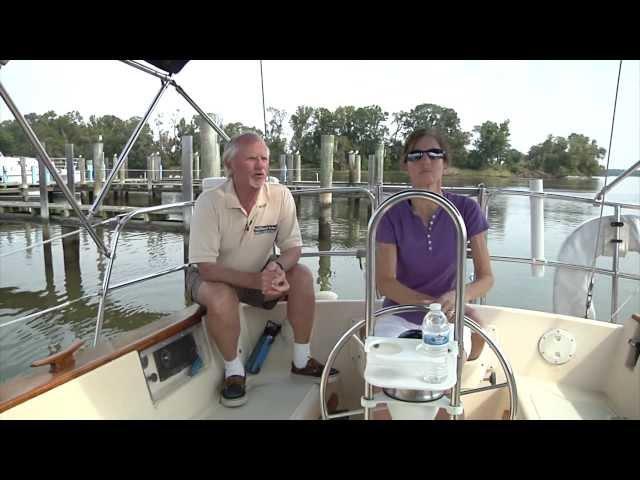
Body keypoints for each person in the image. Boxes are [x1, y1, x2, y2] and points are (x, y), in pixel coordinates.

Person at [186, 132, 337, 407]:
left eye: (264, 159)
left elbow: (292, 249)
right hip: (213, 278)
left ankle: (301, 361)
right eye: (252, 159)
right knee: (222, 296)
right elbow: (206, 268)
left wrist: (277, 268)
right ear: (230, 165)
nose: (261, 166)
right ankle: (234, 372)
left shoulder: (280, 196)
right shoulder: (210, 202)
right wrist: (258, 281)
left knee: (301, 276)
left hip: (260, 274)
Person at [375, 128, 494, 361]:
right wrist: (428, 305)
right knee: (385, 367)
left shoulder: (466, 210)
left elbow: (486, 278)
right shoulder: (390, 214)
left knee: (466, 347)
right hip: (400, 312)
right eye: (416, 155)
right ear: (405, 165)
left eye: (434, 153)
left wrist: (459, 297)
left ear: (445, 163)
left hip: (450, 311)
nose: (425, 160)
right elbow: (385, 282)